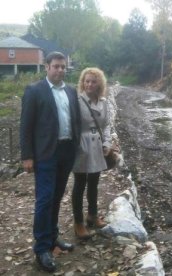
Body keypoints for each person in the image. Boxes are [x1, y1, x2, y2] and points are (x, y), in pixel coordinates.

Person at [20, 51, 81, 272]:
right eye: (56, 66)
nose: (60, 70)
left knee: (56, 197)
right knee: (44, 200)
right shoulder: (35, 91)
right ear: (46, 67)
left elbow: (76, 120)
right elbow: (25, 126)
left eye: (63, 67)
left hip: (66, 151)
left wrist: (76, 146)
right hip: (46, 154)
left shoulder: (71, 91)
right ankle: (42, 249)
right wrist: (27, 156)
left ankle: (53, 237)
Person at [72, 67, 111, 239]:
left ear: (99, 84)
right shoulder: (77, 100)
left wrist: (107, 142)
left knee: (94, 182)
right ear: (82, 83)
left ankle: (92, 216)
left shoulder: (103, 102)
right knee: (80, 183)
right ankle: (78, 223)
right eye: (86, 81)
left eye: (93, 81)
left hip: (97, 145)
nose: (89, 84)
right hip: (81, 145)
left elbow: (106, 124)